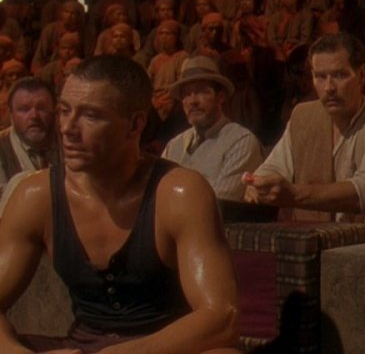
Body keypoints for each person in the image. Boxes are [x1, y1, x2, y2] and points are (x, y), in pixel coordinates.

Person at [0, 55, 240, 353]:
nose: (68, 128)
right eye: (64, 111)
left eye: (90, 116)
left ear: (135, 124)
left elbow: (222, 317)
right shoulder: (36, 194)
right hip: (80, 346)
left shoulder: (179, 192)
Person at [244, 33, 365, 239]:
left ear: (361, 76)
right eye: (320, 77)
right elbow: (275, 167)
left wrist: (294, 195)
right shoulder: (303, 116)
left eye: (339, 75)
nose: (329, 88)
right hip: (307, 245)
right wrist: (259, 185)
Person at [162, 56, 265, 202]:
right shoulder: (174, 146)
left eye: (201, 91)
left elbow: (219, 203)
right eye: (186, 94)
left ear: (220, 97)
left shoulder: (240, 141)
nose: (193, 101)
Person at [0, 78, 60, 196]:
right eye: (24, 109)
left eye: (41, 108)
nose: (34, 116)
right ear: (11, 115)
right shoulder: (2, 148)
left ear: (54, 111)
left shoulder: (70, 140)